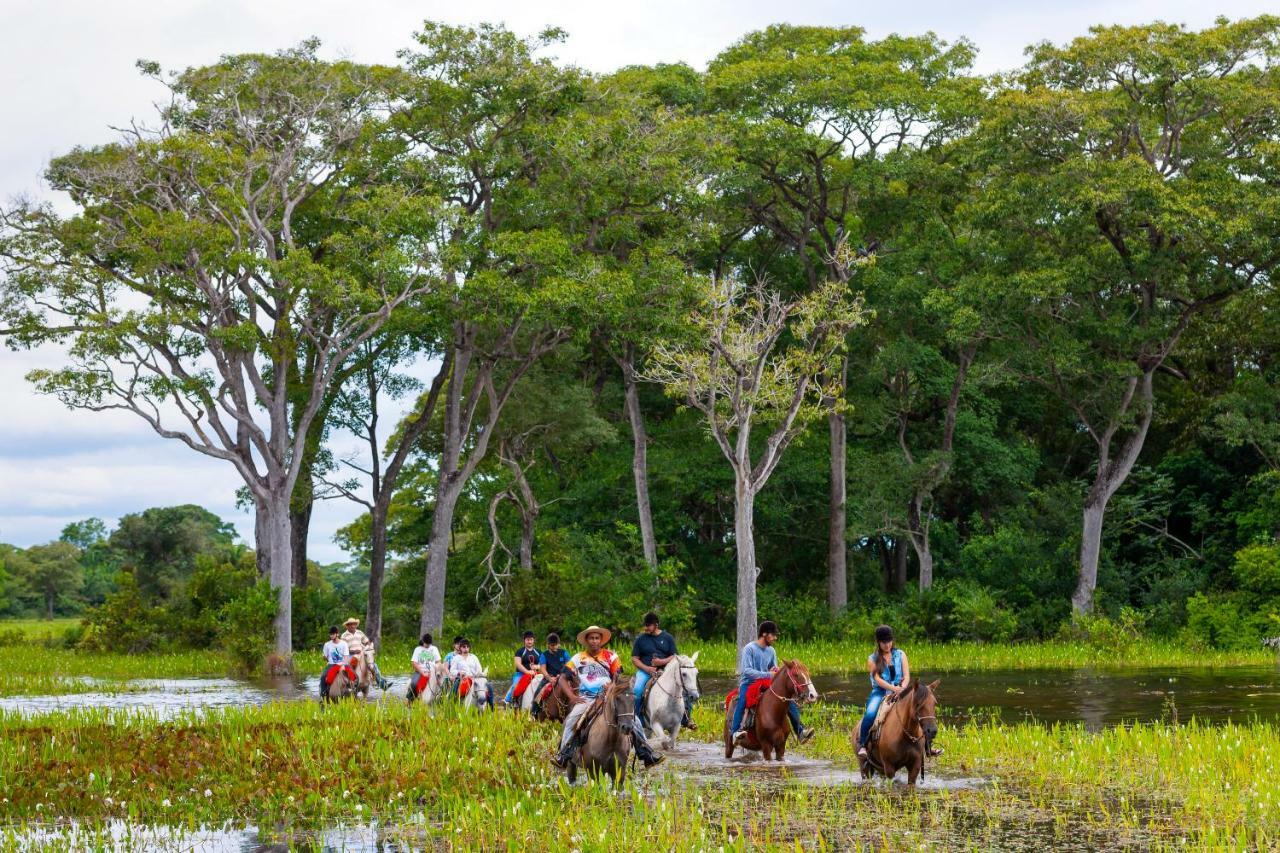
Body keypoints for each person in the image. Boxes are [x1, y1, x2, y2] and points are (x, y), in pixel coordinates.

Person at [551, 625, 664, 769]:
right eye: (591, 638)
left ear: (601, 640)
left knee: (634, 720)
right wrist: (572, 696)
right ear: (586, 640)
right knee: (572, 720)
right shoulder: (577, 658)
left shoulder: (611, 656)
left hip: (609, 697)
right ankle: (564, 755)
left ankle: (647, 754)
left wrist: (611, 687)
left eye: (597, 638)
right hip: (587, 698)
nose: (594, 641)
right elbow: (562, 678)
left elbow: (618, 677)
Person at [730, 620, 814, 746]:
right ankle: (735, 732)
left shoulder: (771, 651)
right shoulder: (749, 649)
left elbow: (773, 667)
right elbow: (746, 671)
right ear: (764, 634)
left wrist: (775, 671)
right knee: (742, 701)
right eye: (773, 635)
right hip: (749, 683)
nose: (775, 638)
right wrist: (768, 674)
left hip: (766, 683)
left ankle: (800, 731)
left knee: (787, 700)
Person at [856, 624, 933, 757]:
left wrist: (902, 688)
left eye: (889, 641)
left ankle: (927, 746)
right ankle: (862, 744)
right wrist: (893, 689)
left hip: (901, 689)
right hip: (880, 692)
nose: (887, 645)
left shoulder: (901, 654)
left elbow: (907, 675)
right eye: (884, 642)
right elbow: (878, 679)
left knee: (918, 711)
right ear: (878, 642)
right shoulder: (872, 659)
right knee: (870, 714)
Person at [631, 611, 696, 731]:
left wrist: (661, 662)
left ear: (656, 624)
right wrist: (647, 668)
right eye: (645, 625)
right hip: (645, 671)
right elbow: (634, 658)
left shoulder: (667, 638)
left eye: (648, 625)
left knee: (683, 688)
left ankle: (686, 718)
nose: (646, 628)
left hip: (666, 671)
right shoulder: (641, 639)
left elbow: (674, 655)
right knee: (637, 689)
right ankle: (637, 719)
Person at [341, 617, 391, 691]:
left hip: (362, 652)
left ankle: (381, 683)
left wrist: (368, 646)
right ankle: (351, 683)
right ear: (347, 626)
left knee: (372, 664)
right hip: (350, 654)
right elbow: (343, 649)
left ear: (356, 625)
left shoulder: (359, 632)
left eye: (354, 624)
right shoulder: (344, 635)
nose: (352, 626)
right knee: (350, 665)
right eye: (350, 624)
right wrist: (353, 652)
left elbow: (367, 641)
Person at [532, 632, 570, 717]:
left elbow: (569, 665)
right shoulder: (544, 655)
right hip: (549, 677)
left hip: (562, 676)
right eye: (552, 645)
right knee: (538, 692)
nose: (554, 647)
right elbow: (543, 669)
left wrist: (563, 675)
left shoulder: (564, 653)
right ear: (548, 645)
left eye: (556, 645)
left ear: (558, 644)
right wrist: (549, 678)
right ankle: (534, 712)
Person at [448, 638, 493, 708]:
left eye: (467, 647)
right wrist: (459, 672)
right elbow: (452, 670)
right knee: (455, 686)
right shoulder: (456, 658)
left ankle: (491, 706)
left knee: (489, 686)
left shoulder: (474, 657)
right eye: (464, 647)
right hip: (462, 678)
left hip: (475, 678)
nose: (466, 649)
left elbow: (479, 669)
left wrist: (480, 673)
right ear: (460, 648)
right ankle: (450, 704)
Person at [504, 631, 541, 706]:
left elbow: (543, 664)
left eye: (531, 640)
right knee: (515, 685)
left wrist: (537, 667)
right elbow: (518, 664)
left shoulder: (538, 652)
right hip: (521, 674)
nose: (529, 642)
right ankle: (510, 701)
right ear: (524, 641)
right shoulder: (520, 651)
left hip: (536, 673)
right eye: (527, 640)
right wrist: (527, 671)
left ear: (533, 640)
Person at [319, 625, 352, 698]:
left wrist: (343, 665)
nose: (331, 636)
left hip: (342, 664)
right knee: (323, 676)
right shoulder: (327, 644)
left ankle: (352, 690)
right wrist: (324, 657)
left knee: (353, 675)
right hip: (331, 664)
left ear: (337, 634)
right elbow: (325, 656)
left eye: (333, 634)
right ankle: (323, 694)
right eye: (330, 634)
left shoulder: (344, 644)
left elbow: (346, 657)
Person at [407, 632, 441, 701]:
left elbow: (439, 662)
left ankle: (442, 699)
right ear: (423, 642)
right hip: (420, 672)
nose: (428, 645)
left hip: (432, 672)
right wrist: (422, 672)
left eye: (429, 644)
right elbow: (414, 663)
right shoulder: (418, 649)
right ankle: (410, 700)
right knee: (413, 684)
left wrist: (435, 668)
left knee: (443, 682)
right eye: (426, 644)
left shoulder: (434, 649)